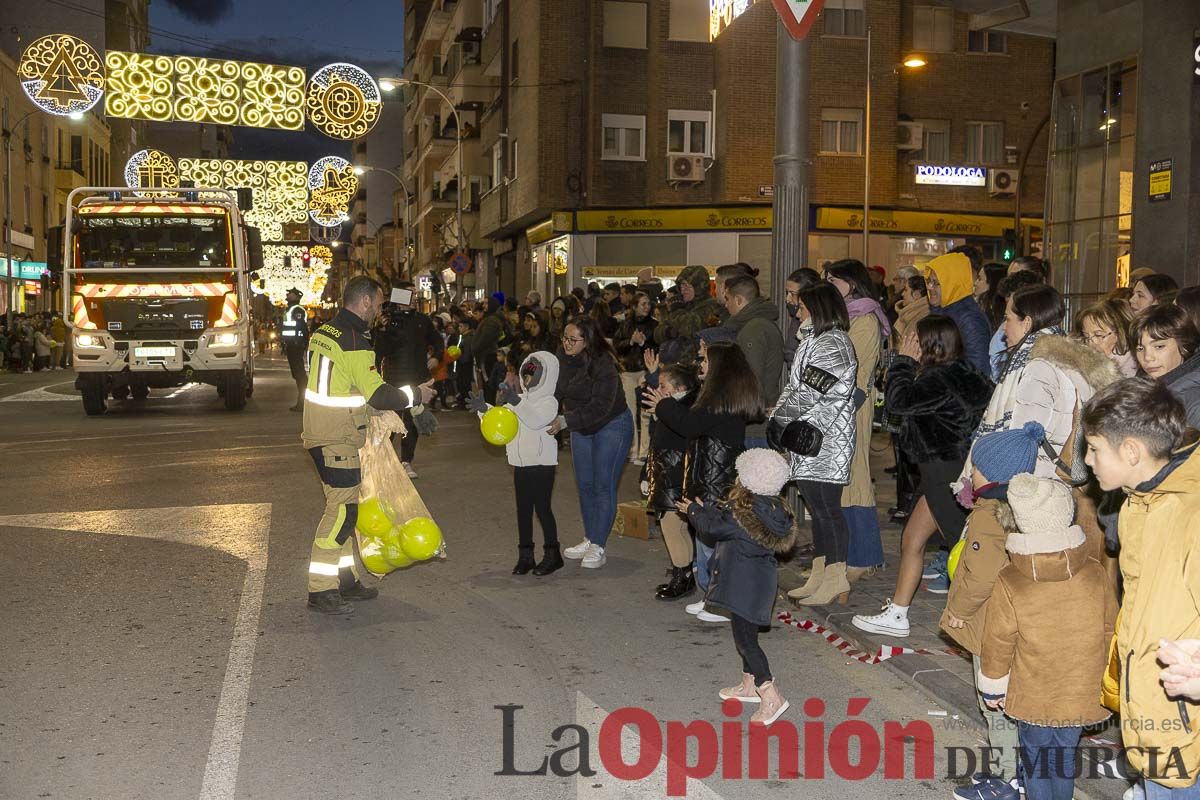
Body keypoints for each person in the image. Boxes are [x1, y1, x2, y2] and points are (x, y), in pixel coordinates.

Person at [1082, 377, 1200, 797]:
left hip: (1186, 715)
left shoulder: (1189, 512)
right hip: (1150, 705)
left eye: (1094, 449)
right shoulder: (1137, 500)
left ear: (1131, 451)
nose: (1087, 461)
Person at [301, 276, 435, 615]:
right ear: (363, 303)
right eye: (376, 305)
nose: (378, 312)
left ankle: (345, 580)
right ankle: (321, 589)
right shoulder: (356, 342)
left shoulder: (325, 333)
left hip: (320, 431)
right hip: (338, 437)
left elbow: (344, 386)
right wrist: (416, 395)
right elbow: (377, 392)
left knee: (347, 509)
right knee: (342, 512)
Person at [851, 316, 992, 637]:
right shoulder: (964, 372)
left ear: (928, 344)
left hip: (944, 473)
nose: (908, 342)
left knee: (966, 549)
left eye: (913, 339)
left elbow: (898, 402)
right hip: (948, 470)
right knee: (912, 539)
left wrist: (902, 361)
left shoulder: (938, 379)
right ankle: (898, 613)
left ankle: (980, 618)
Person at [978, 473, 1115, 800]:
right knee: (1063, 758)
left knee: (1038, 761)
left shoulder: (1011, 579)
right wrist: (1112, 678)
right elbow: (1111, 629)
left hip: (1034, 694)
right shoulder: (1095, 571)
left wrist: (993, 686)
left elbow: (998, 640)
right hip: (1079, 691)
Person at [644, 339, 762, 621]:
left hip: (715, 474)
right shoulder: (722, 394)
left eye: (706, 360)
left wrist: (664, 406)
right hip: (712, 472)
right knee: (708, 536)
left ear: (718, 366)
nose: (701, 364)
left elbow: (689, 425)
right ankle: (712, 596)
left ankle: (720, 602)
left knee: (713, 539)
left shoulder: (718, 398)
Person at [682, 449, 796, 724]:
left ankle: (770, 693)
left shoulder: (741, 514)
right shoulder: (773, 509)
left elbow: (713, 529)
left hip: (741, 585)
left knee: (746, 642)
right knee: (747, 635)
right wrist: (708, 510)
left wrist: (693, 511)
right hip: (760, 584)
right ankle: (748, 685)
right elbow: (723, 521)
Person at [773, 283, 858, 607]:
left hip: (825, 440)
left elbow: (810, 393)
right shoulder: (815, 340)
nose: (797, 308)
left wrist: (780, 420)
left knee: (827, 511)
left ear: (819, 307)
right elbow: (796, 387)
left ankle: (836, 578)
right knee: (819, 511)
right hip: (811, 438)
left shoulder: (833, 343)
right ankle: (822, 574)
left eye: (803, 304)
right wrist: (779, 415)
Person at [824, 259, 890, 582]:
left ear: (850, 283)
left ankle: (864, 557)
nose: (829, 286)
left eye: (833, 281)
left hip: (853, 407)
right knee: (845, 481)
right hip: (841, 406)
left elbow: (858, 373)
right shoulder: (846, 317)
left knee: (856, 479)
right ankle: (853, 555)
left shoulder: (864, 320)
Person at [469, 351, 563, 576]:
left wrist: (516, 401)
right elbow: (503, 418)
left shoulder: (549, 401)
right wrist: (485, 410)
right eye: (526, 374)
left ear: (546, 376)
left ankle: (553, 554)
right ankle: (526, 555)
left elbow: (536, 420)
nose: (528, 379)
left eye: (534, 374)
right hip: (520, 463)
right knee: (523, 510)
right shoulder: (519, 399)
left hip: (542, 464)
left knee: (542, 508)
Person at [552, 316, 633, 570]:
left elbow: (600, 406)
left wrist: (565, 421)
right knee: (585, 485)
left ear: (587, 341)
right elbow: (554, 390)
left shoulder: (603, 364)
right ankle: (589, 538)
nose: (566, 343)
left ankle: (599, 544)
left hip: (611, 423)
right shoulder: (562, 358)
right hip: (580, 425)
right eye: (564, 338)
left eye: (572, 339)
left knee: (602, 484)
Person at [373, 286, 444, 478]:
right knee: (390, 423)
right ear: (398, 296)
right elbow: (378, 351)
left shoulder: (422, 321)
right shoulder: (388, 322)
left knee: (411, 423)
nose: (413, 298)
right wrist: (382, 328)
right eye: (408, 294)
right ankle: (382, 461)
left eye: (415, 294)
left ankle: (406, 462)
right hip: (393, 381)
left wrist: (436, 356)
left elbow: (437, 341)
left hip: (416, 381)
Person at [647, 363, 699, 600]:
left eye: (662, 385)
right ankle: (684, 574)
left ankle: (682, 576)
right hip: (668, 472)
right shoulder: (673, 404)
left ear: (678, 387)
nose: (658, 389)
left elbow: (679, 437)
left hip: (676, 474)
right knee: (676, 526)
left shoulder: (683, 407)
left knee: (672, 525)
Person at [718, 274, 783, 445]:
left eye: (728, 299)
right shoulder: (758, 325)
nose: (726, 304)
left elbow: (750, 378)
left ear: (738, 300)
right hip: (758, 417)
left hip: (755, 424)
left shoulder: (753, 329)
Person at [1129, 304, 1200, 426]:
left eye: (1159, 346)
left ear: (1184, 345)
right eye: (1140, 348)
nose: (1147, 357)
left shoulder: (1192, 399)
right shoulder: (1144, 385)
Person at [924, 252, 992, 375]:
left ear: (952, 283)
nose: (929, 287)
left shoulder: (970, 319)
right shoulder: (942, 310)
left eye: (936, 283)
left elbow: (978, 370)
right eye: (929, 281)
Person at [613, 291, 658, 464]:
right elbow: (617, 346)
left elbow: (658, 346)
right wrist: (630, 341)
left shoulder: (655, 325)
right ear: (634, 306)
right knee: (629, 411)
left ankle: (644, 452)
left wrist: (643, 343)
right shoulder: (625, 325)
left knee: (646, 411)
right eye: (643, 304)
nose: (647, 307)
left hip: (646, 371)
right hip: (628, 371)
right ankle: (632, 450)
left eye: (648, 304)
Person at [654, 265, 722, 346]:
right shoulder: (682, 304)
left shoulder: (712, 306)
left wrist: (676, 311)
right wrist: (668, 332)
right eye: (681, 286)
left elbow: (691, 330)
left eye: (686, 285)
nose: (683, 290)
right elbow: (657, 333)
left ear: (698, 287)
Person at [1077, 298, 1138, 378]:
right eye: (1086, 336)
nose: (1091, 343)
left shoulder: (1136, 371)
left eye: (1098, 335)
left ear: (1121, 332)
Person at [783, 268, 822, 370]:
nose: (787, 299)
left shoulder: (820, 324)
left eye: (793, 294)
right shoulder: (798, 317)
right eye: (787, 293)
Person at [474, 295, 509, 403]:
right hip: (486, 355)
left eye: (486, 303)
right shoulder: (490, 319)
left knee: (488, 384)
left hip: (488, 356)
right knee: (487, 384)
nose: (483, 305)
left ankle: (489, 407)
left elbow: (484, 340)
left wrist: (476, 348)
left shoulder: (492, 321)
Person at [281, 287, 310, 411]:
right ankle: (302, 402)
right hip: (292, 344)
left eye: (290, 293)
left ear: (296, 296)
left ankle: (304, 402)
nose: (287, 294)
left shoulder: (297, 309)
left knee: (300, 374)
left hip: (296, 344)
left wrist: (303, 342)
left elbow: (302, 327)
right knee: (297, 373)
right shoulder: (290, 309)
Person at [892, 275, 930, 342]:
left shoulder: (923, 318)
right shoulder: (907, 313)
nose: (902, 294)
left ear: (916, 294)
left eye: (906, 290)